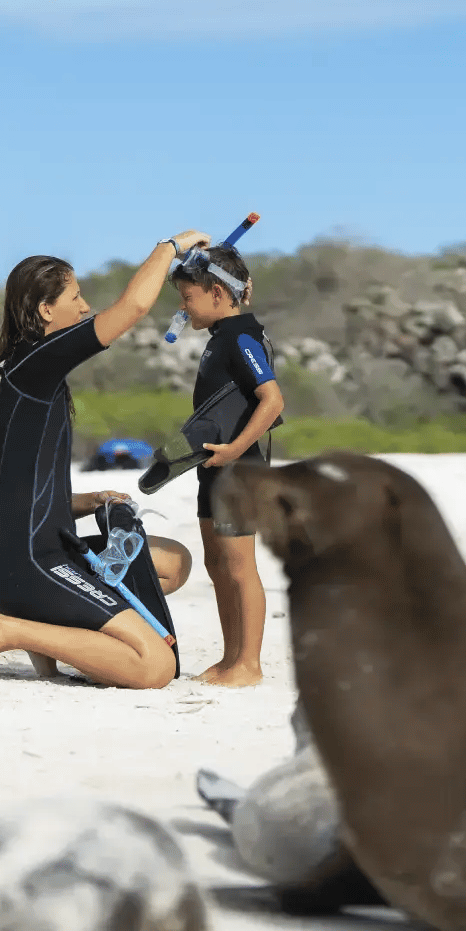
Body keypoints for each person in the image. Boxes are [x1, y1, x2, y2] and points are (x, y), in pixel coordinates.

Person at [0, 231, 215, 688]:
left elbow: (19, 484)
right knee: (154, 668)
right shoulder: (35, 362)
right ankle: (7, 629)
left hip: (38, 547)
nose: (83, 307)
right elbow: (132, 309)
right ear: (44, 310)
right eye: (75, 297)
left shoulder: (24, 369)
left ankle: (47, 635)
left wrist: (88, 500)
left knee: (171, 561)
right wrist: (168, 248)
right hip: (27, 561)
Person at [165, 246, 287, 687]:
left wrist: (236, 448)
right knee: (217, 565)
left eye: (188, 297)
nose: (183, 307)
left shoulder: (241, 339)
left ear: (218, 293)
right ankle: (229, 657)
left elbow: (272, 400)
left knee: (239, 567)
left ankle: (249, 665)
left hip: (238, 469)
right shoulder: (221, 338)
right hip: (214, 466)